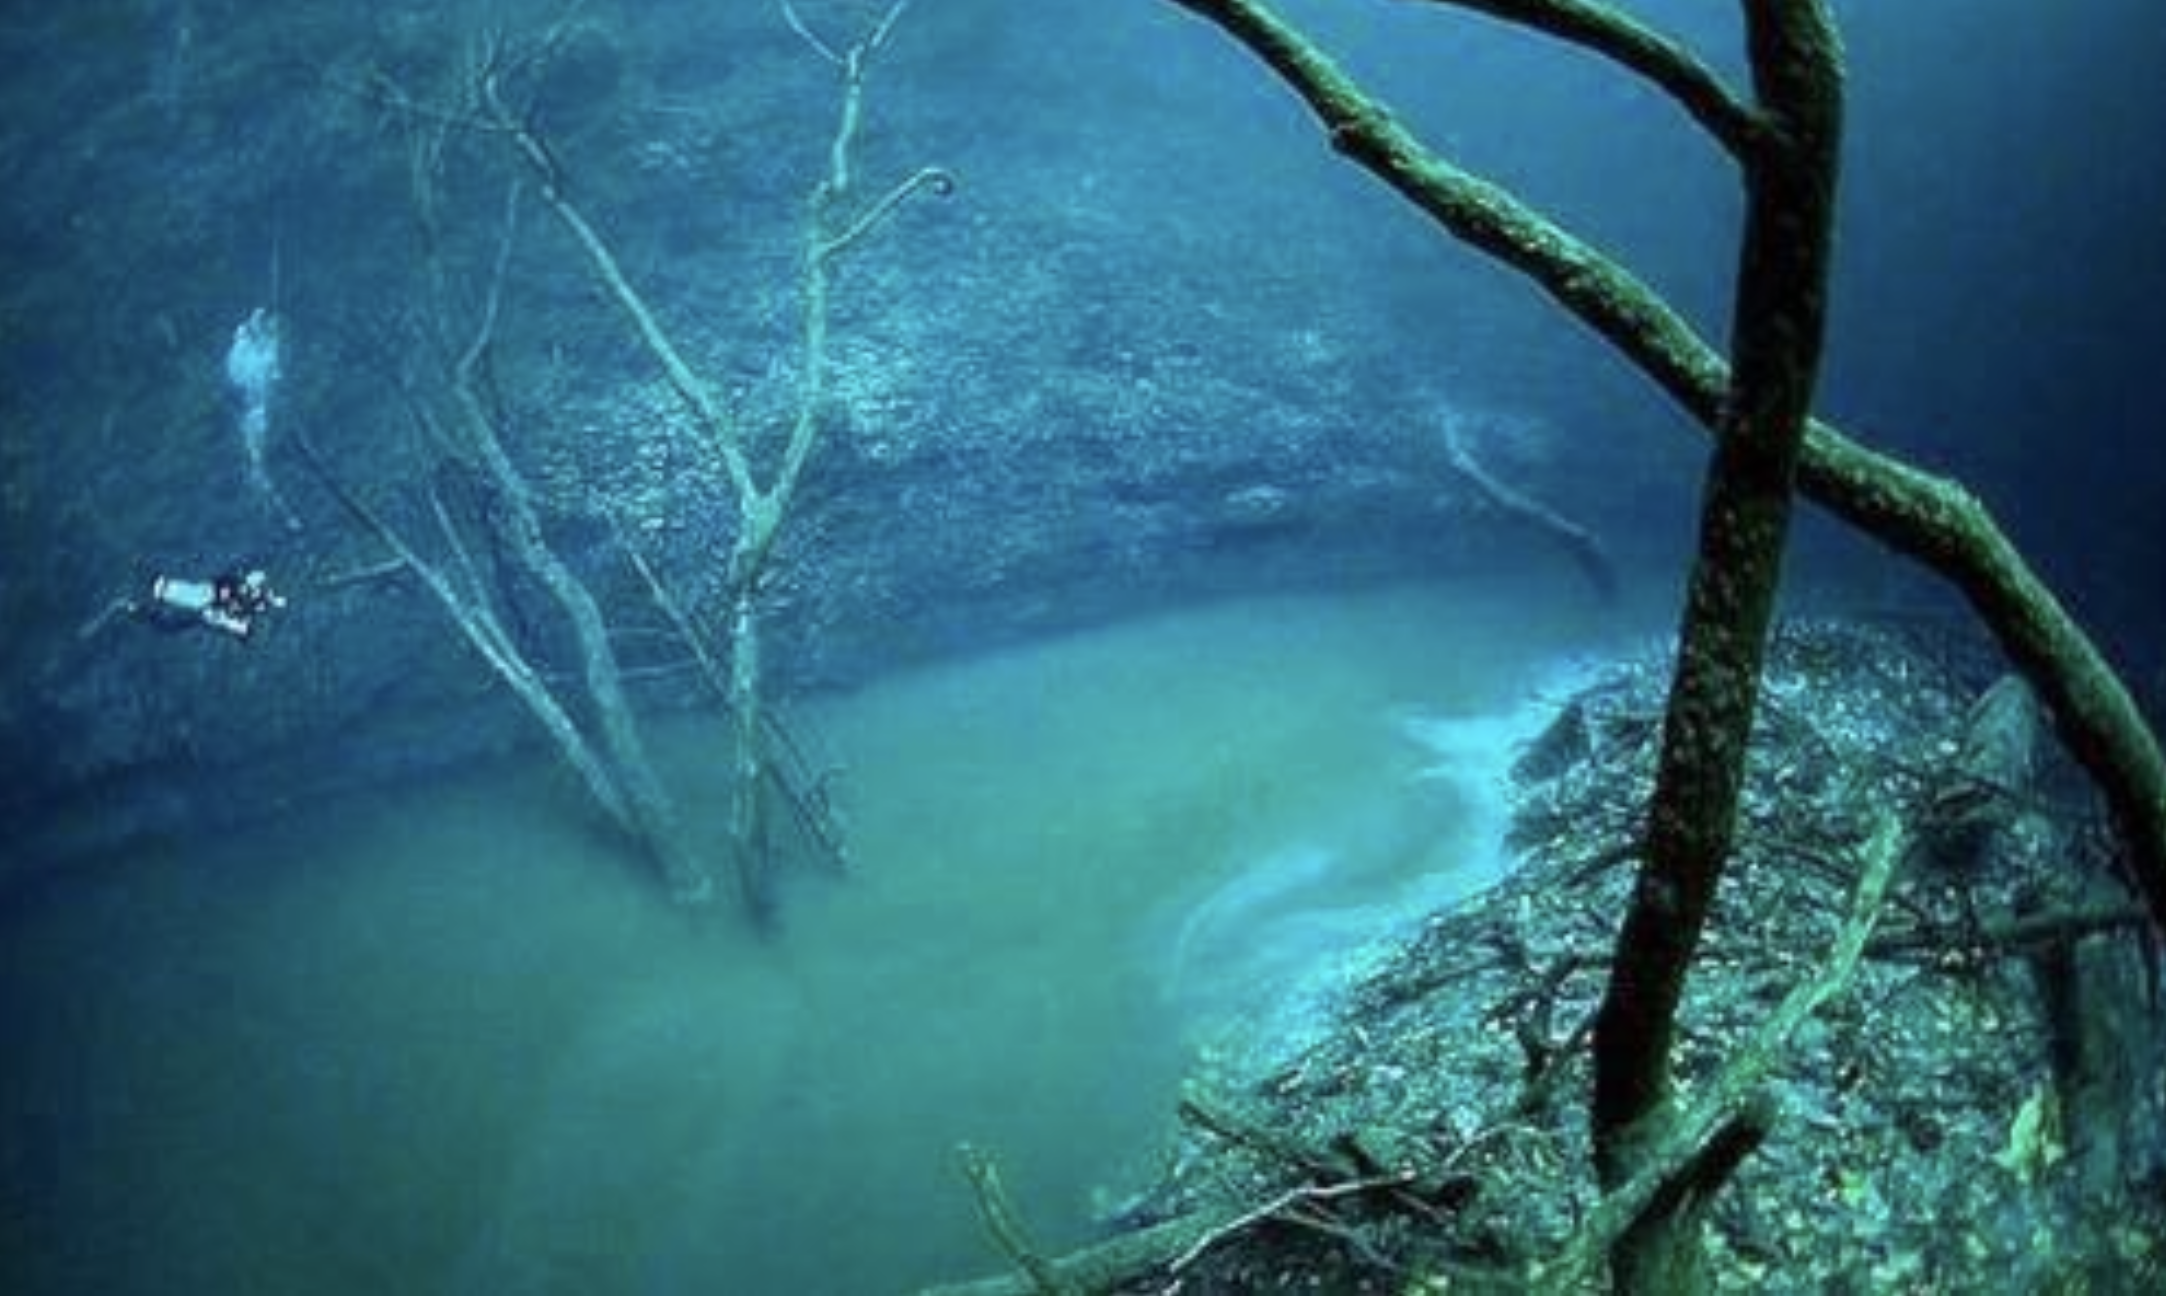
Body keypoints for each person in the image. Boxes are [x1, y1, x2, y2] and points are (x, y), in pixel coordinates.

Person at [114, 566, 288, 641]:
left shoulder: (244, 612)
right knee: (177, 607)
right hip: (209, 599)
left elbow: (223, 617)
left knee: (170, 624)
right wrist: (270, 598)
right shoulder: (249, 599)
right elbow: (248, 580)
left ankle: (133, 606)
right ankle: (141, 595)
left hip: (206, 608)